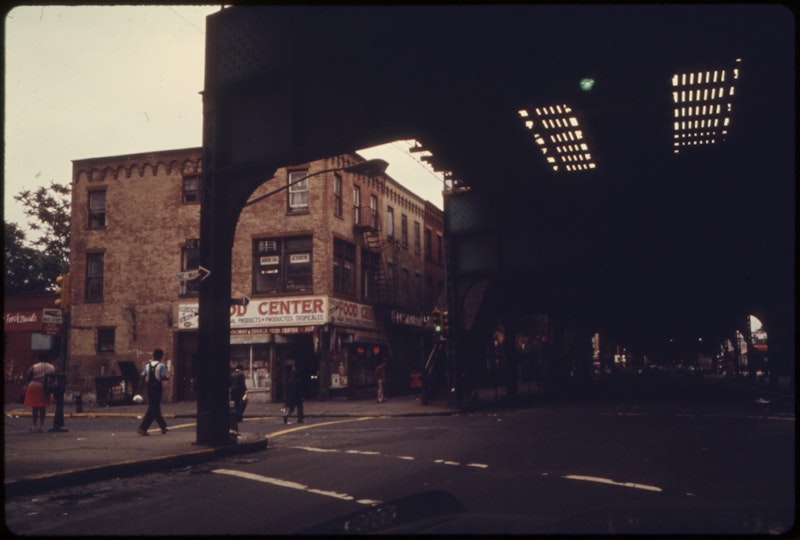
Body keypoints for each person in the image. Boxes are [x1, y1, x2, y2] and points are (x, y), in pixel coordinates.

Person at [137, 349, 169, 436]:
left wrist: (138, 390)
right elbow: (162, 377)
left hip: (149, 387)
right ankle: (143, 427)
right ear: (161, 356)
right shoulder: (161, 365)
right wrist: (168, 378)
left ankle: (163, 427)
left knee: (154, 407)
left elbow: (142, 377)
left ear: (153, 355)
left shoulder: (147, 365)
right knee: (154, 407)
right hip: (157, 388)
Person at [24, 353, 56, 432]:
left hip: (33, 386)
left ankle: (34, 425)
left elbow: (28, 376)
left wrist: (26, 384)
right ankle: (42, 425)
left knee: (34, 407)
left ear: (39, 359)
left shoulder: (34, 367)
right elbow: (53, 378)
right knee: (43, 407)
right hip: (44, 387)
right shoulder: (51, 367)